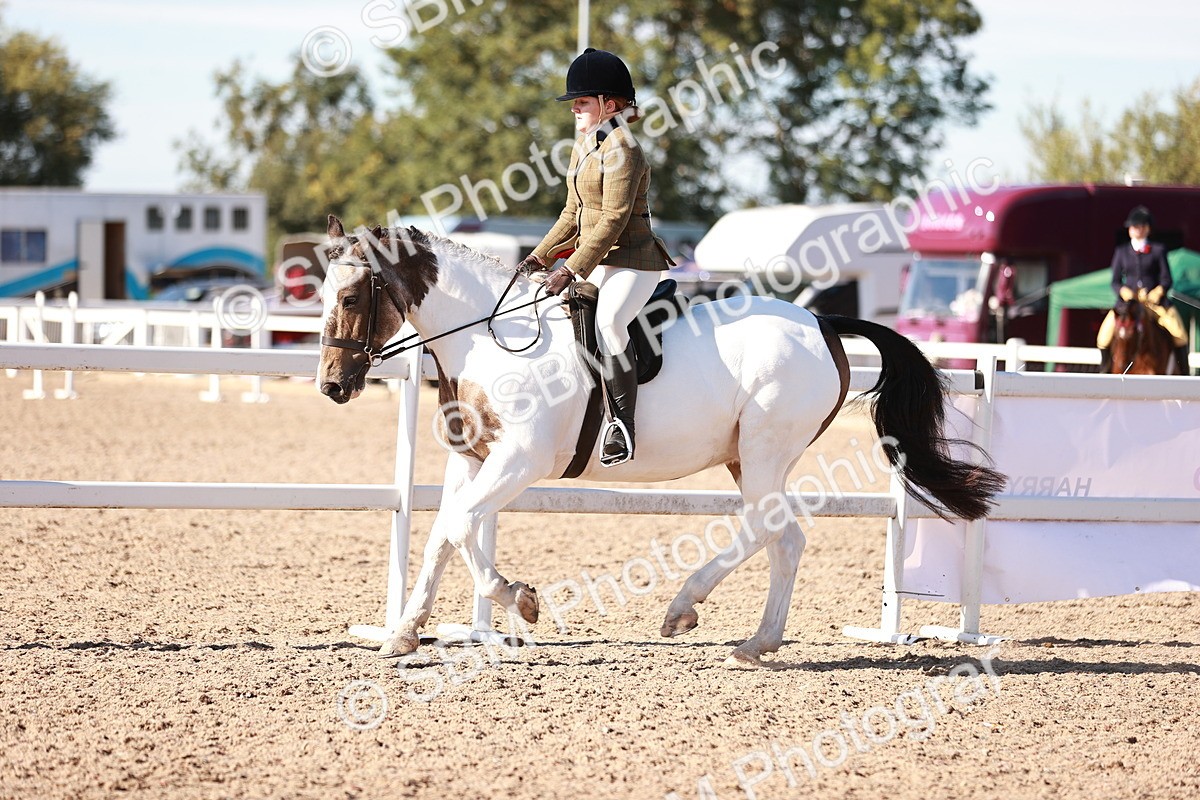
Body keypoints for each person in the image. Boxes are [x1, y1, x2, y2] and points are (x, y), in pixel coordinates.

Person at [517, 48, 675, 466]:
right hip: (600, 261)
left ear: (610, 104)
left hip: (634, 260)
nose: (575, 110)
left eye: (582, 102)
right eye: (575, 103)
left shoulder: (626, 148)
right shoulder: (585, 145)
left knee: (609, 321)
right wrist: (537, 258)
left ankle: (622, 427)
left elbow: (613, 220)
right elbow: (573, 213)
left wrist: (569, 268)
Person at [1096, 205, 1189, 371]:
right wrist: (1123, 291)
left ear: (1147, 228)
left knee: (1179, 334)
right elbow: (1115, 281)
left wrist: (1159, 290)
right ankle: (1105, 371)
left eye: (1138, 226)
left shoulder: (1158, 250)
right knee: (1103, 337)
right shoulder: (1122, 251)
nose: (1135, 230)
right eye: (1133, 227)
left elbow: (1166, 278)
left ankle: (1184, 373)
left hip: (1154, 304)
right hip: (1128, 306)